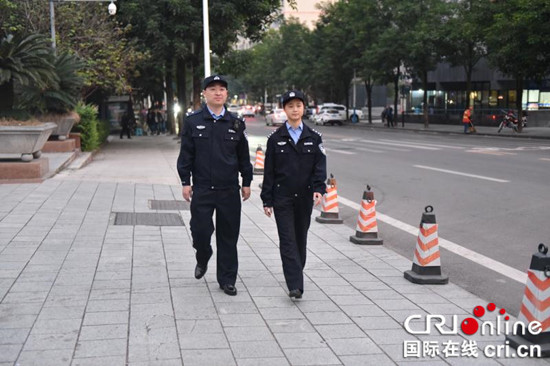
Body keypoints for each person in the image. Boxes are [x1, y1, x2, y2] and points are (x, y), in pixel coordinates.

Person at [177, 75, 252, 296]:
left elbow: (243, 157)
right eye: (212, 89)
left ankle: (227, 279)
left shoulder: (236, 123)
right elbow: (186, 155)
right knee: (200, 231)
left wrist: (246, 182)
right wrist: (185, 181)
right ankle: (203, 254)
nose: (217, 93)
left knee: (228, 236)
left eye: (222, 89)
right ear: (205, 94)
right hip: (202, 188)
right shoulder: (193, 121)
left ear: (226, 94)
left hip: (229, 189)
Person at [260, 90, 327, 299]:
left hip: (305, 197)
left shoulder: (314, 138)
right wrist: (267, 200)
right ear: (284, 110)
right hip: (283, 197)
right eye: (290, 106)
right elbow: (268, 172)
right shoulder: (275, 139)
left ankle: (296, 270)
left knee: (300, 239)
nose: (295, 110)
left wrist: (319, 189)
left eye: (298, 105)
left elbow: (319, 168)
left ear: (303, 108)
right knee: (287, 240)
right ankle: (295, 285)